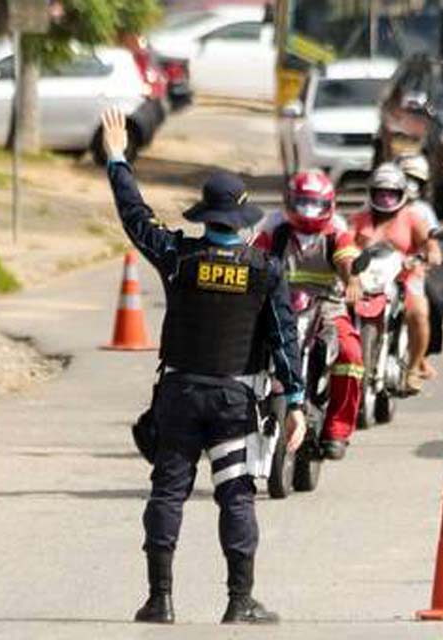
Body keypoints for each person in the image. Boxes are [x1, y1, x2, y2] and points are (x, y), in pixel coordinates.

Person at [100, 108, 307, 626]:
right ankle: (240, 601)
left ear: (205, 217)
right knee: (235, 493)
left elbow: (136, 218)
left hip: (179, 396)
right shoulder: (266, 270)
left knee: (168, 489)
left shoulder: (178, 258)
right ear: (242, 220)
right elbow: (284, 340)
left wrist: (117, 158)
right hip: (233, 400)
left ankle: (159, 599)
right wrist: (295, 402)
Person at [253, 169, 364, 460]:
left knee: (350, 354)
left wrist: (352, 280)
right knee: (242, 343)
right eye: (302, 203)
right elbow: (252, 260)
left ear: (329, 205)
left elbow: (347, 260)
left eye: (315, 204)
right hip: (278, 303)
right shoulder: (273, 229)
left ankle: (337, 430)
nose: (309, 211)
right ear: (289, 201)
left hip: (325, 305)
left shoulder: (336, 233)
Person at [351, 163, 442, 394]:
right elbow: (344, 242)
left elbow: (429, 241)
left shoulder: (412, 217)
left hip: (404, 276)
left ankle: (413, 368)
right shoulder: (359, 218)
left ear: (402, 194)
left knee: (419, 313)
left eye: (391, 194)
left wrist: (431, 253)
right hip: (367, 278)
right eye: (380, 193)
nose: (386, 199)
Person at [397, 154, 443, 378]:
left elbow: (432, 243)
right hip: (380, 273)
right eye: (406, 178)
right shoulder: (378, 205)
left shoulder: (422, 211)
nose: (410, 184)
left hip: (411, 274)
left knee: (434, 304)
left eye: (415, 179)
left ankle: (421, 357)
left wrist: (430, 255)